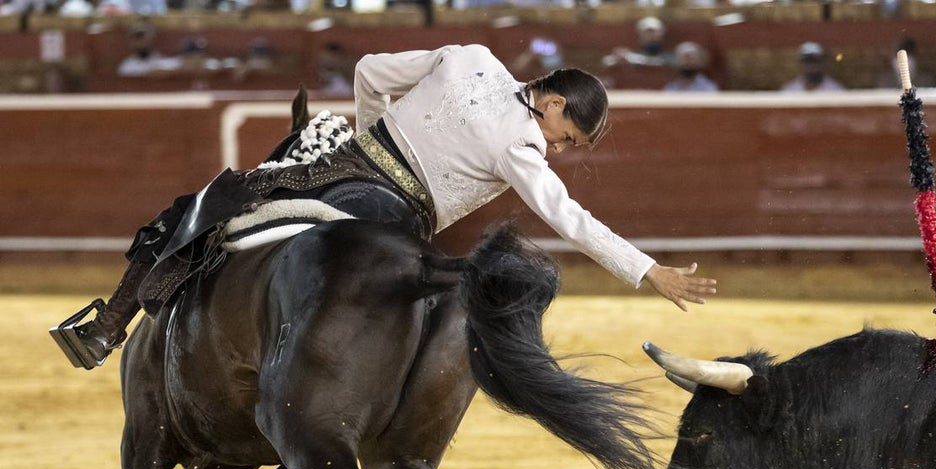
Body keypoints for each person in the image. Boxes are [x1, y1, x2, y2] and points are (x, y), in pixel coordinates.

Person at [51, 44, 717, 370]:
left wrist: (373, 135)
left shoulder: (472, 58)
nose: (560, 150)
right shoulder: (520, 144)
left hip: (341, 164)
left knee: (213, 202)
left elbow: (369, 70)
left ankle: (110, 325)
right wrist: (647, 271)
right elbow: (568, 216)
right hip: (400, 211)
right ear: (552, 104)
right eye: (566, 137)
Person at [602, 17, 675, 69]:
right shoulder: (631, 56)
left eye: (654, 32)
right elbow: (607, 62)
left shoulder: (670, 57)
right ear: (640, 34)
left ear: (661, 34)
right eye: (647, 32)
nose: (651, 35)